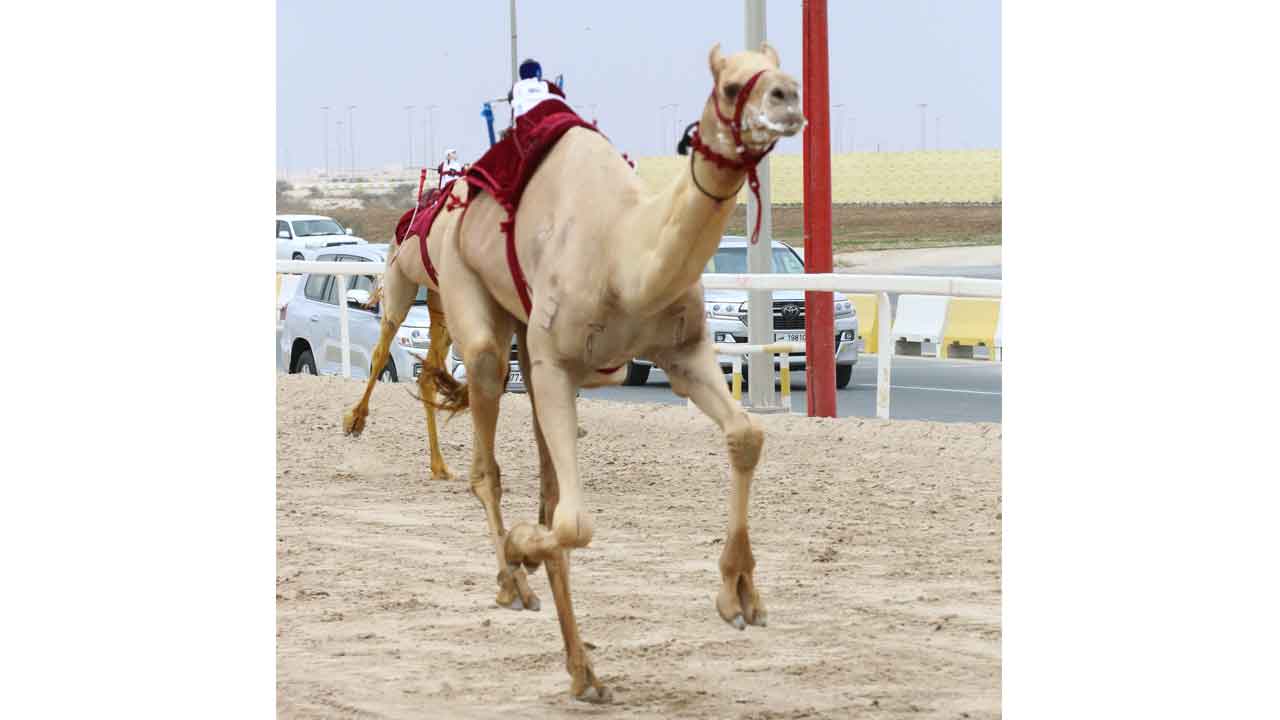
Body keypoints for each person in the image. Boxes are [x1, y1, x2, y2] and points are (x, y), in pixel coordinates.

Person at [506, 58, 566, 125]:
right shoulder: (545, 84)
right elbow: (561, 96)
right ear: (538, 72)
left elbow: (510, 99)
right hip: (543, 121)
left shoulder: (517, 86)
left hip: (524, 121)